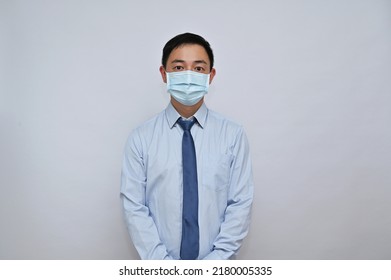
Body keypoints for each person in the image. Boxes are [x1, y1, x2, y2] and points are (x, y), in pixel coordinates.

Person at [120, 33, 253, 260]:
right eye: (179, 67)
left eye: (199, 69)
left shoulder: (233, 135)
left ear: (211, 76)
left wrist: (215, 265)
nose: (189, 76)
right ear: (164, 74)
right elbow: (134, 208)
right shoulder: (140, 138)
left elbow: (240, 203)